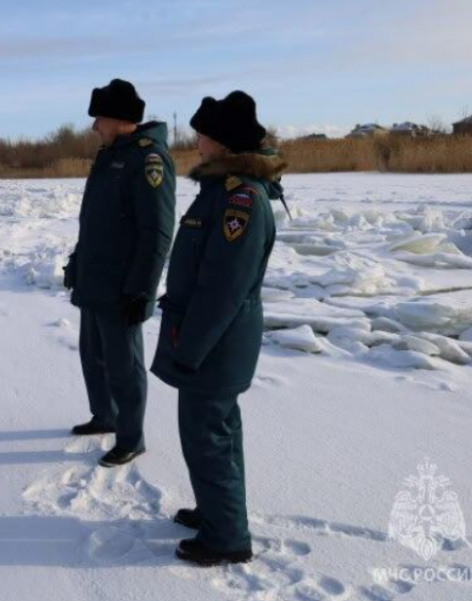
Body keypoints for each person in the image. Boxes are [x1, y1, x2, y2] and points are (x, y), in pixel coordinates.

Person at [150, 91, 286, 566]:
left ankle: (227, 537)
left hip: (215, 343)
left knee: (207, 435)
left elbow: (223, 289)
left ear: (222, 142)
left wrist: (191, 348)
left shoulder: (240, 200)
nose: (197, 141)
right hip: (212, 339)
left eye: (203, 134)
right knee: (218, 432)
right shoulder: (220, 190)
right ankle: (217, 512)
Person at [64, 79, 176, 468]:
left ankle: (131, 438)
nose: (94, 126)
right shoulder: (109, 154)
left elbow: (158, 233)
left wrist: (141, 290)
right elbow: (93, 222)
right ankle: (105, 416)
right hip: (94, 280)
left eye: (98, 118)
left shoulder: (148, 160)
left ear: (117, 119)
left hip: (122, 287)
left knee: (124, 366)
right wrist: (77, 263)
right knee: (93, 355)